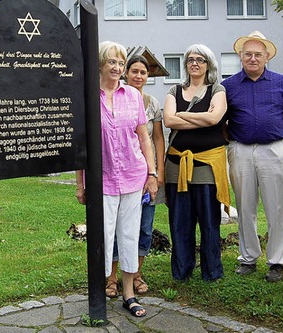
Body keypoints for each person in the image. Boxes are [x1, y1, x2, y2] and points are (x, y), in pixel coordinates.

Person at [75, 41, 157, 317]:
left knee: (129, 236)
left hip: (133, 175)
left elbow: (144, 137)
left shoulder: (133, 96)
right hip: (101, 180)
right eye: (112, 62)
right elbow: (81, 143)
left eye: (121, 63)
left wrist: (152, 173)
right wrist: (80, 183)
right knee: (102, 237)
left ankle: (129, 294)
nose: (117, 68)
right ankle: (99, 292)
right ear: (100, 65)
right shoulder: (87, 97)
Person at [222, 31, 283, 282]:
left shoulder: (282, 82)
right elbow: (222, 121)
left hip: (273, 148)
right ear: (240, 57)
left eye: (258, 54)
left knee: (276, 207)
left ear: (267, 57)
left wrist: (273, 134)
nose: (253, 58)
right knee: (245, 205)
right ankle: (248, 257)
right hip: (240, 149)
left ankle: (276, 260)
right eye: (248, 54)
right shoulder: (228, 86)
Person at [163, 44, 229, 282]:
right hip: (176, 166)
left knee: (209, 221)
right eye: (190, 59)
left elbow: (215, 118)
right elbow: (169, 120)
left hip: (207, 166)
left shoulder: (217, 89)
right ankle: (182, 271)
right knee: (180, 221)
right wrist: (202, 120)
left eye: (200, 60)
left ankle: (212, 271)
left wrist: (184, 115)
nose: (194, 63)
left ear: (208, 64)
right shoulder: (174, 90)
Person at [106, 55, 165, 297]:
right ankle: (111, 277)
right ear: (125, 73)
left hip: (144, 173)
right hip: (117, 173)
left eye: (143, 72)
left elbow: (156, 139)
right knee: (115, 229)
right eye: (134, 71)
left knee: (144, 227)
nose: (138, 76)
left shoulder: (151, 103)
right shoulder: (112, 98)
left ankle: (136, 274)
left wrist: (157, 172)